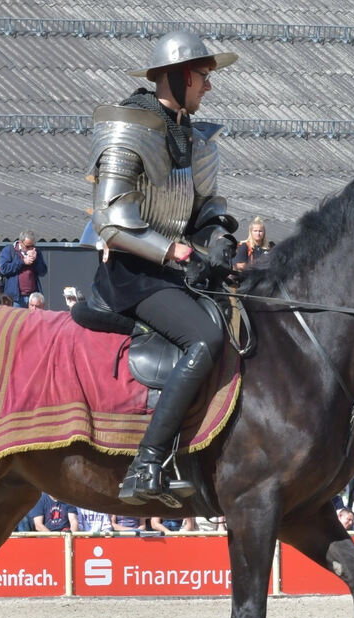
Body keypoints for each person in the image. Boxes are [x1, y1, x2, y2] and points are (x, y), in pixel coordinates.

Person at [85, 30, 237, 506]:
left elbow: (207, 207)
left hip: (175, 271)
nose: (209, 87)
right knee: (205, 337)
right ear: (184, 75)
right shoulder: (127, 127)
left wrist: (220, 240)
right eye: (205, 78)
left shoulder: (196, 138)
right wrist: (176, 252)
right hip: (132, 274)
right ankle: (147, 462)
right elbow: (112, 221)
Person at [0, 231, 48, 308]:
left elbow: (43, 272)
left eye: (33, 246)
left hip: (32, 297)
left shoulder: (36, 252)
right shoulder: (9, 250)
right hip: (15, 299)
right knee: (16, 319)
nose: (30, 249)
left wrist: (36, 260)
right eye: (28, 246)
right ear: (20, 242)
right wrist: (23, 262)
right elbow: (4, 269)